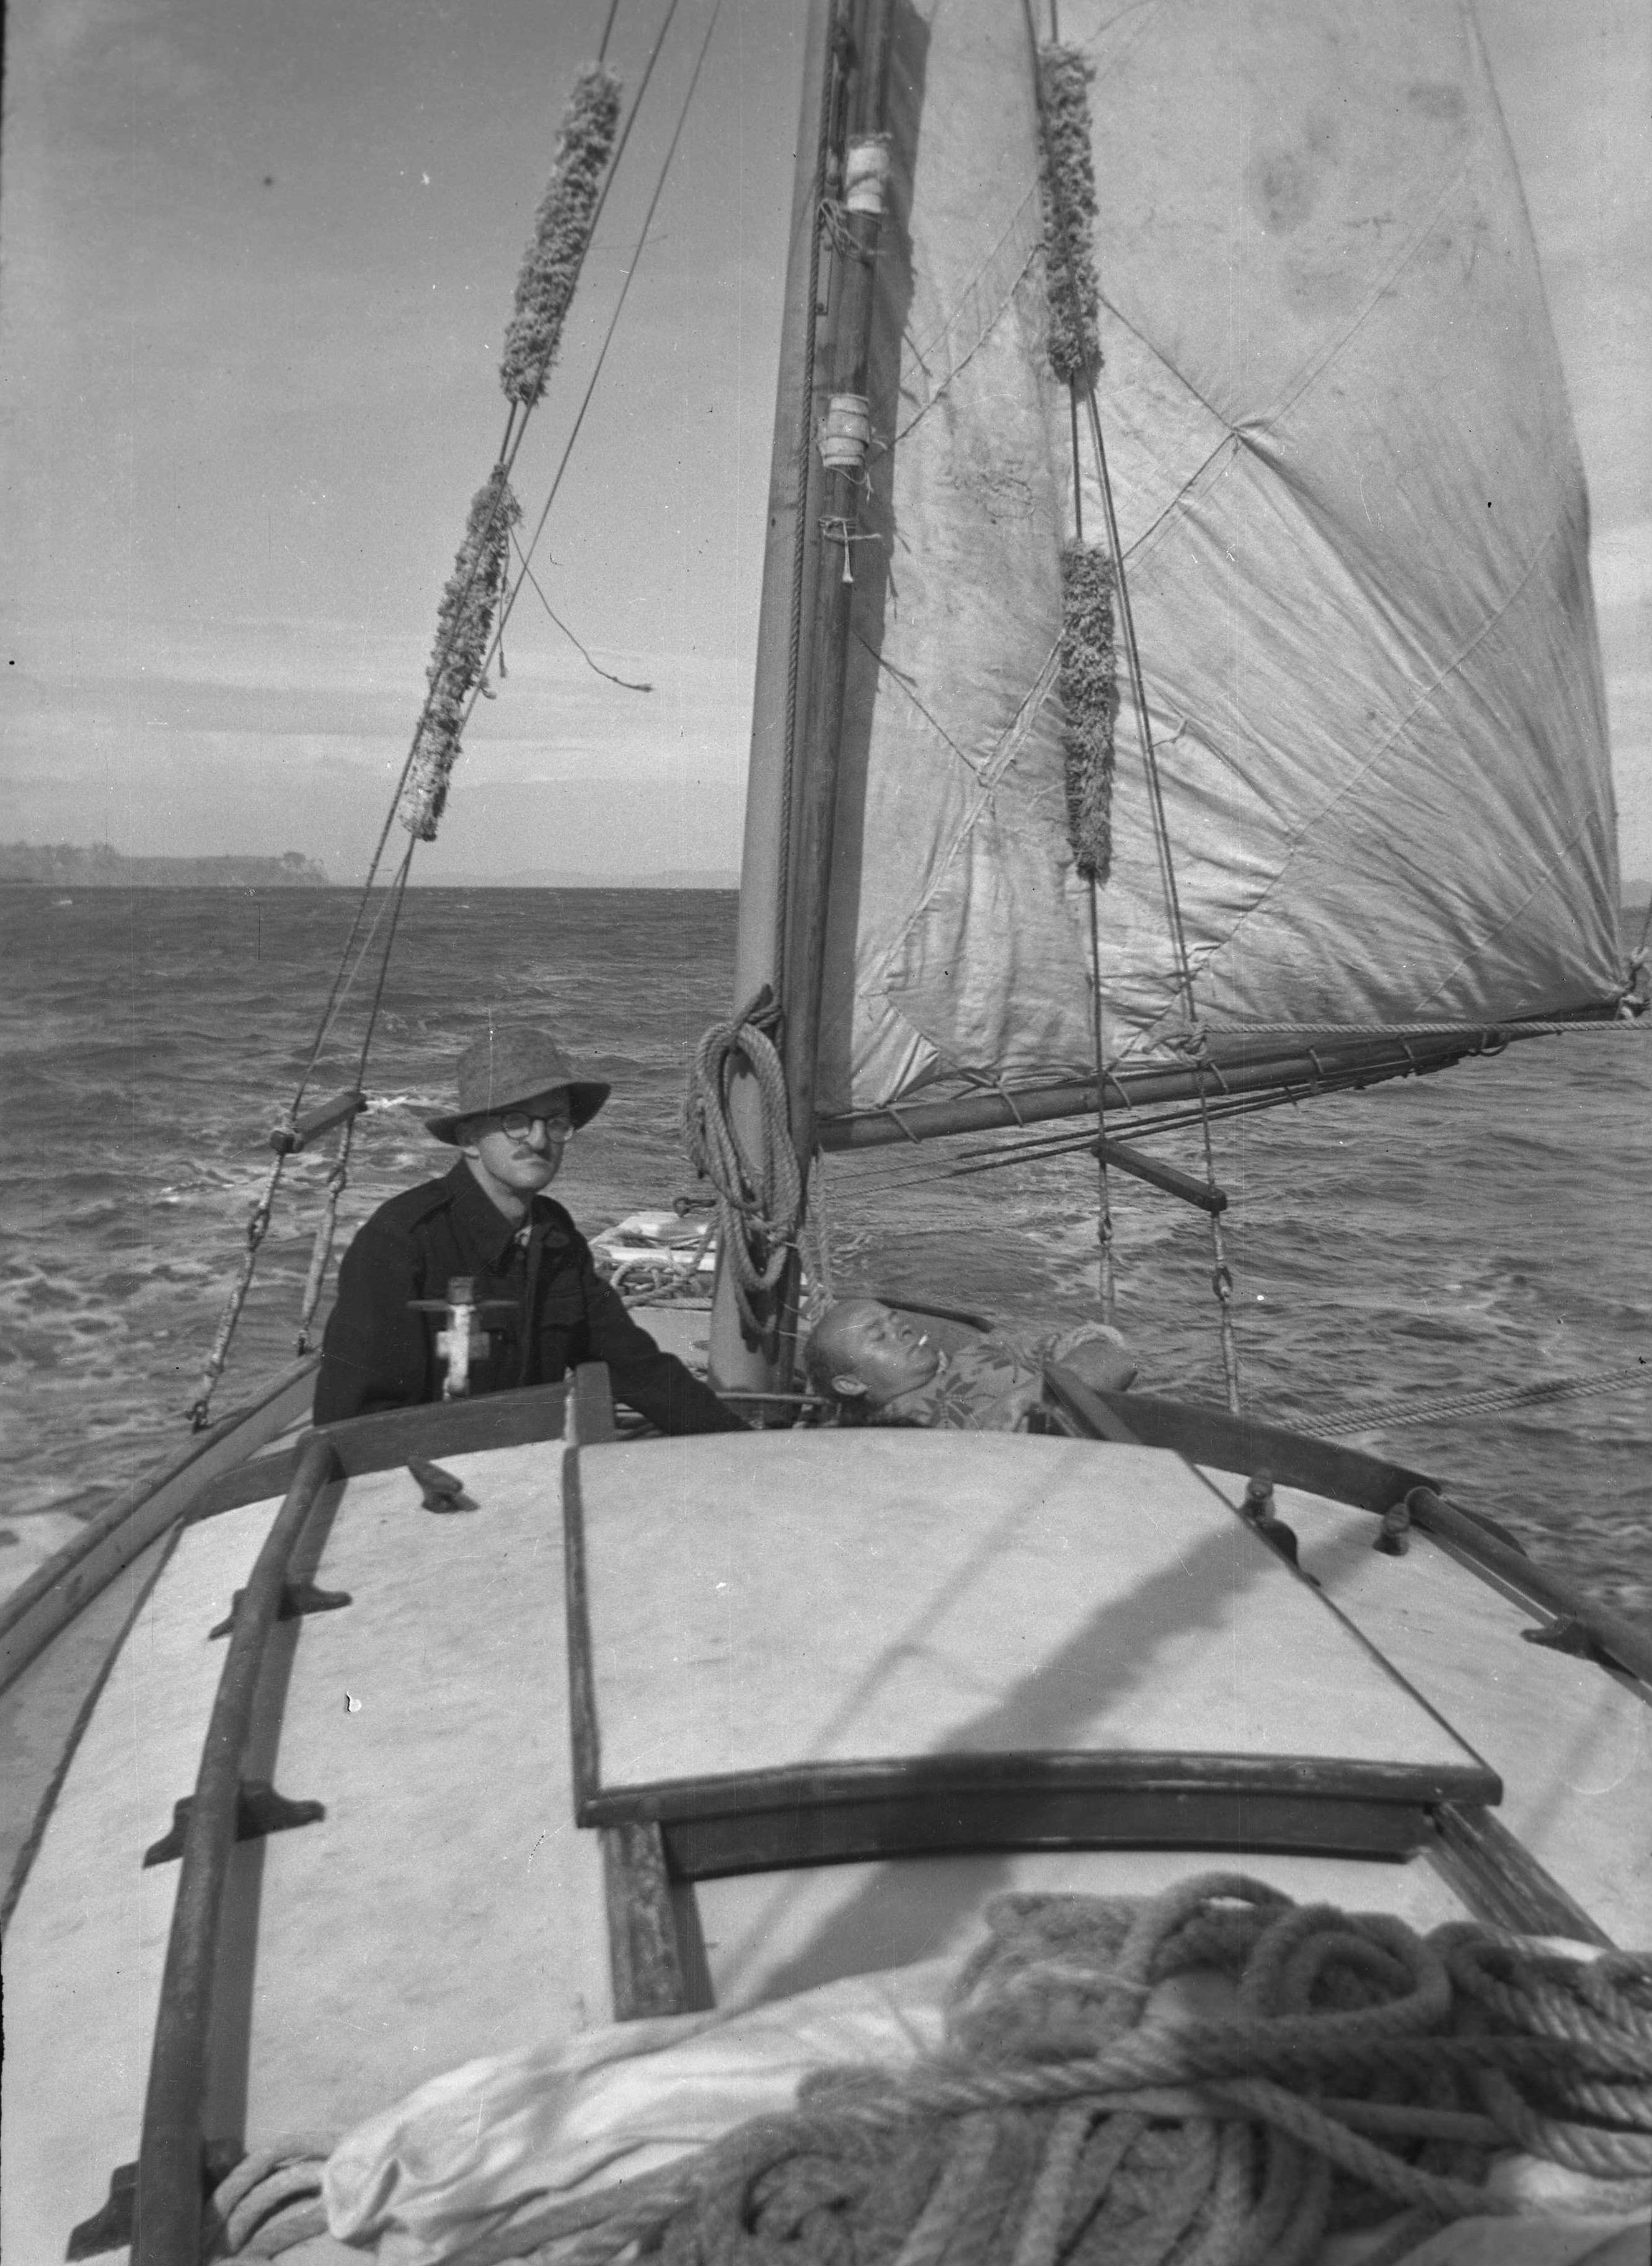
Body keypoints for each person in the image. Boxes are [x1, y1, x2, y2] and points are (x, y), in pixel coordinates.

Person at [313, 1022, 745, 1433]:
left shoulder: (554, 1237)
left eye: (555, 1123)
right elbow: (353, 1421)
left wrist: (741, 1445)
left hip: (529, 1469)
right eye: (516, 1122)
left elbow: (636, 1368)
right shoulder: (401, 1241)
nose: (539, 1141)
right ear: (469, 1140)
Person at [805, 1297, 1137, 1432]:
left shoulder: (990, 1350)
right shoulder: (856, 1443)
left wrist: (1032, 1393)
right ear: (850, 1384)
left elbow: (1115, 1358)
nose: (901, 1329)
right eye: (879, 1336)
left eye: (895, 1320)